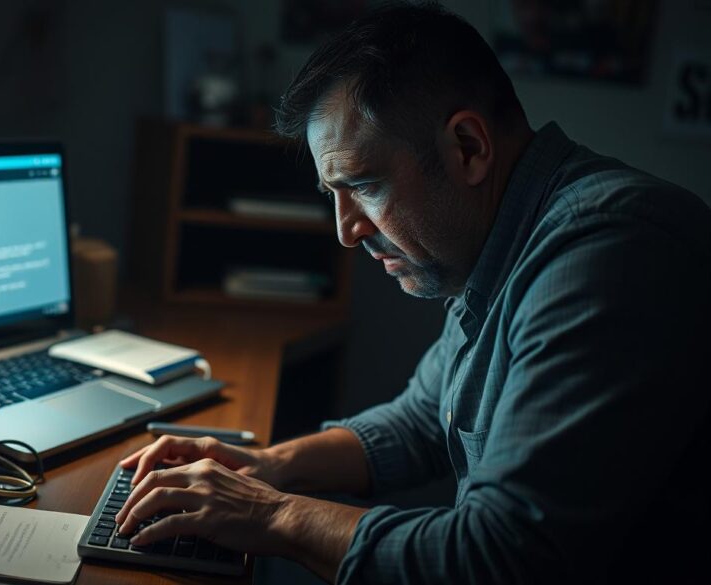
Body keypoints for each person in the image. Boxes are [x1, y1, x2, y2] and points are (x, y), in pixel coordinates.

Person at [115, 3, 711, 583]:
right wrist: (271, 465)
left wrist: (267, 513)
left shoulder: (604, 255)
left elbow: (499, 559)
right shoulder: (500, 243)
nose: (347, 232)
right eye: (334, 195)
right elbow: (427, 416)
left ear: (468, 147)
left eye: (364, 185)